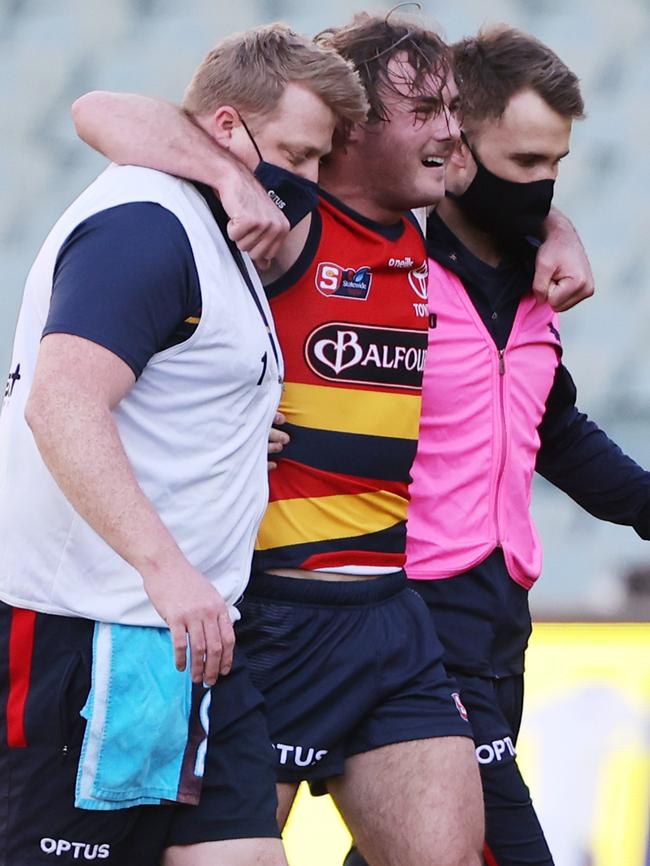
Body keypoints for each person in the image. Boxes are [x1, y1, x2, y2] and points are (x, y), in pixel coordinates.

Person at [71, 13, 595, 866]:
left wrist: (556, 227)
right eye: (423, 111)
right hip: (271, 618)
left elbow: (513, 185)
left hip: (391, 617)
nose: (450, 131)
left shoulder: (423, 227)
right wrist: (228, 180)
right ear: (350, 129)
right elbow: (99, 109)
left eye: (453, 110)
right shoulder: (286, 217)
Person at [0, 24, 368, 866]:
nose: (305, 183)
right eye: (297, 155)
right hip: (97, 632)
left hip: (194, 643)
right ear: (228, 130)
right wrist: (167, 569)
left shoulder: (213, 223)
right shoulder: (148, 225)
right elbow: (61, 405)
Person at [346, 25, 650, 866]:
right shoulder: (382, 261)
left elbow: (553, 430)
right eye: (523, 166)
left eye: (555, 167)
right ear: (455, 144)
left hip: (498, 627)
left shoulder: (536, 278)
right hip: (406, 620)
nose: (543, 188)